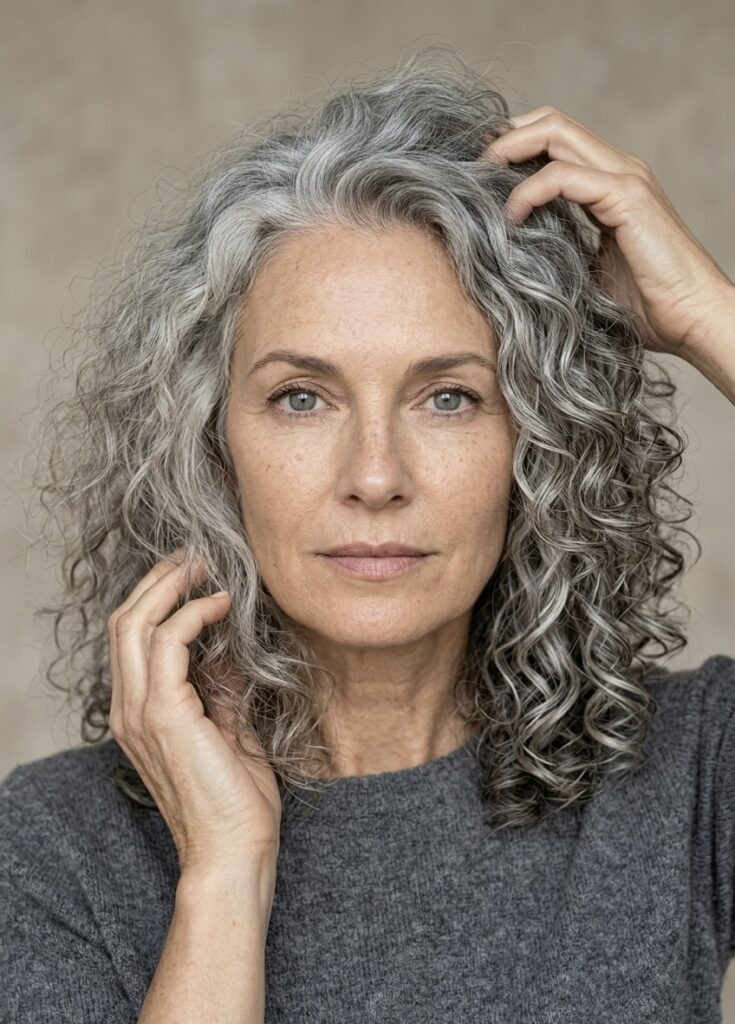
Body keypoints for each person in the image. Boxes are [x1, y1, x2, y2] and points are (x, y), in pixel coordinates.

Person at [1, 45, 734, 1023]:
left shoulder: (688, 776)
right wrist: (222, 875)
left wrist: (705, 315)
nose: (376, 476)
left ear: (539, 442)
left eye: (448, 397)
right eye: (302, 397)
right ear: (210, 445)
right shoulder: (54, 845)